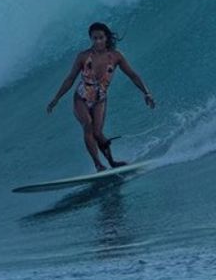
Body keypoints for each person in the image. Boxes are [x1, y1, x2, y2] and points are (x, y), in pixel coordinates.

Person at [47, 22, 156, 171]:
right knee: (87, 124)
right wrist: (56, 98)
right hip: (81, 97)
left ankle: (111, 162)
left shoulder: (116, 56)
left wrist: (146, 92)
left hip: (100, 99)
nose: (97, 41)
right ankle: (98, 164)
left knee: (98, 133)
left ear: (106, 38)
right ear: (90, 39)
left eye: (100, 38)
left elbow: (133, 75)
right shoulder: (83, 56)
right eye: (94, 38)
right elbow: (70, 79)